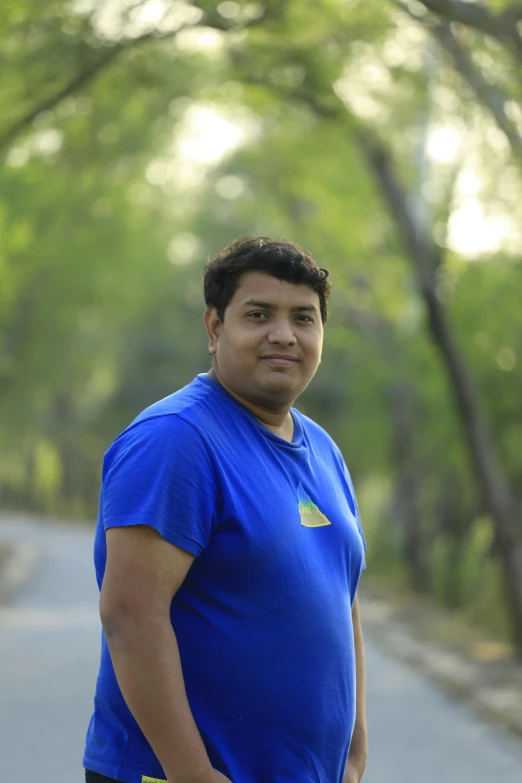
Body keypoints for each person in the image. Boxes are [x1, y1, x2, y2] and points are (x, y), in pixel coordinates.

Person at [83, 237, 368, 783]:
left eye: (303, 318)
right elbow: (131, 617)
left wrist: (353, 753)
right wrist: (193, 774)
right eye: (259, 315)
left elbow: (342, 598)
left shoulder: (324, 450)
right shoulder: (177, 439)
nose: (284, 334)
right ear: (215, 329)